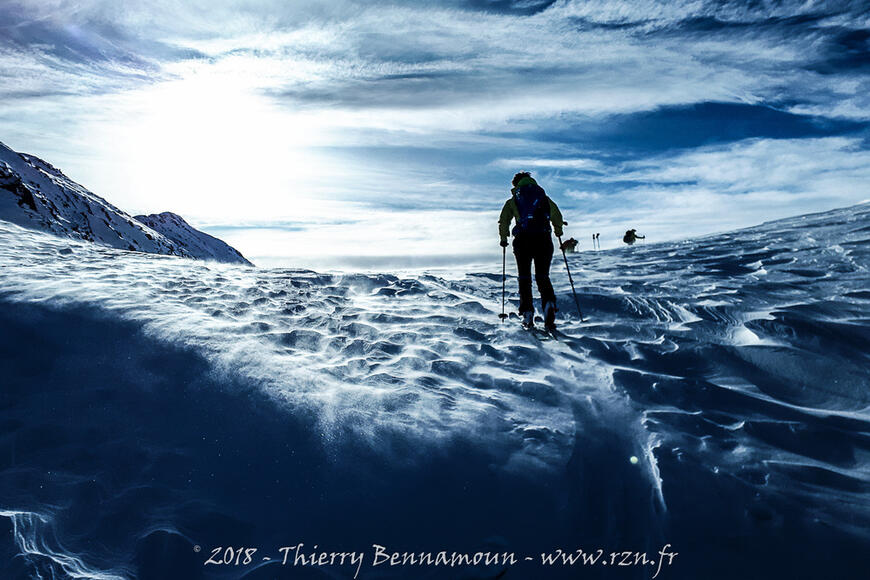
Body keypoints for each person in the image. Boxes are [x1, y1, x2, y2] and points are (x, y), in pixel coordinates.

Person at [498, 171, 567, 330]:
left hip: (523, 241)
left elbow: (504, 220)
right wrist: (558, 231)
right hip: (544, 239)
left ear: (516, 184)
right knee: (543, 276)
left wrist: (503, 238)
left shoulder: (514, 199)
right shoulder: (544, 198)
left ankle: (527, 312)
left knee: (524, 277)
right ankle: (549, 303)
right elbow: (557, 215)